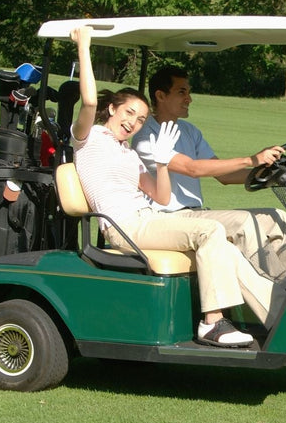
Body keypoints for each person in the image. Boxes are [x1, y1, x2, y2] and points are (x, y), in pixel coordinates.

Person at [69, 26, 274, 348]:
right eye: (128, 114)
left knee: (224, 243)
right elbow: (89, 101)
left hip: (150, 216)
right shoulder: (87, 139)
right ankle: (213, 323)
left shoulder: (129, 153)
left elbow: (161, 196)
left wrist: (162, 162)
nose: (133, 123)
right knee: (209, 231)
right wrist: (84, 45)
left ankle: (277, 317)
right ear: (112, 109)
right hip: (123, 225)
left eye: (139, 120)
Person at [131, 66, 286, 282]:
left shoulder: (189, 131)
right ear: (160, 96)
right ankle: (275, 291)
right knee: (244, 223)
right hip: (168, 217)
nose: (189, 99)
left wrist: (268, 173)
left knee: (277, 217)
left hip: (195, 213)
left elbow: (224, 175)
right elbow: (192, 169)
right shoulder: (146, 137)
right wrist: (251, 160)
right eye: (182, 92)